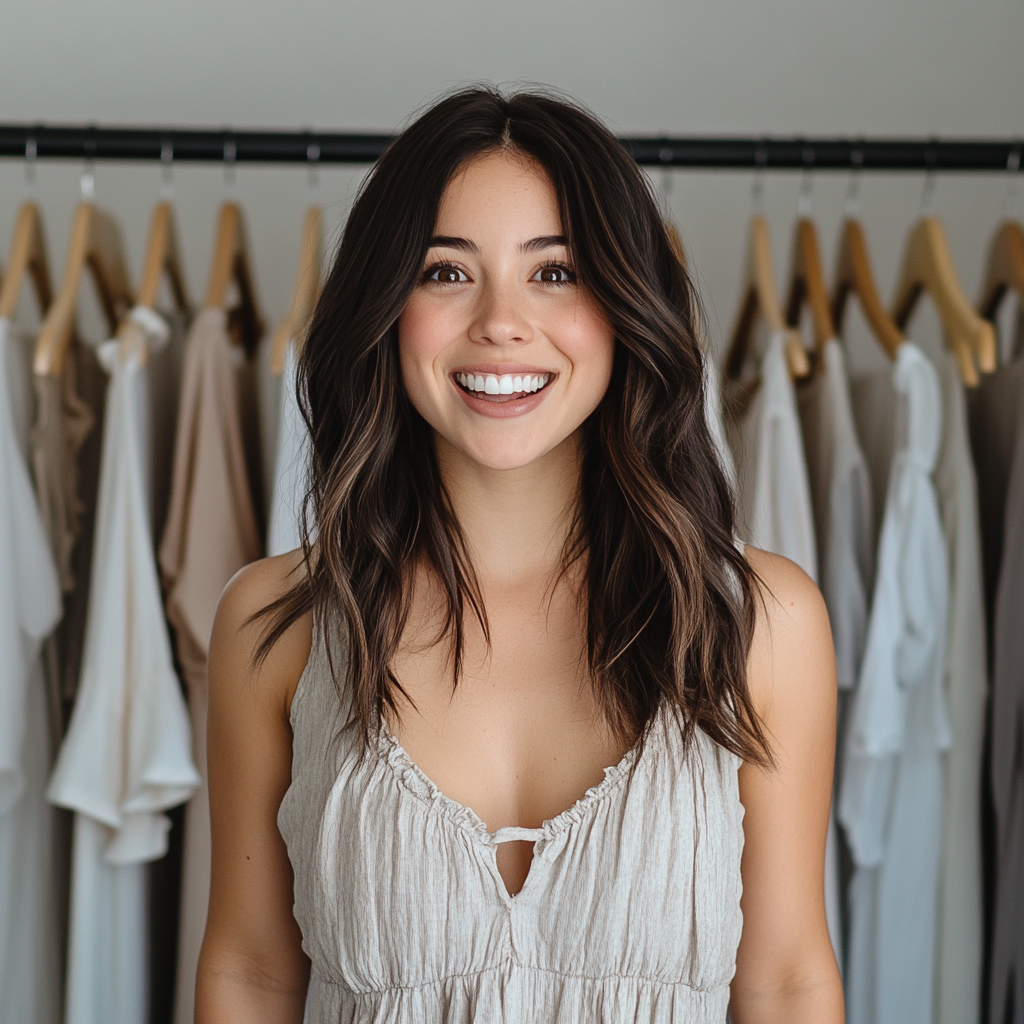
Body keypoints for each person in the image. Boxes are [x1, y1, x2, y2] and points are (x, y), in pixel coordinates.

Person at [195, 87, 844, 1024]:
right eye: (446, 273)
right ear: (385, 305)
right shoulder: (277, 624)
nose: (501, 321)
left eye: (556, 273)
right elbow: (250, 972)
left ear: (628, 305)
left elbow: (786, 982)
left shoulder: (761, 623)